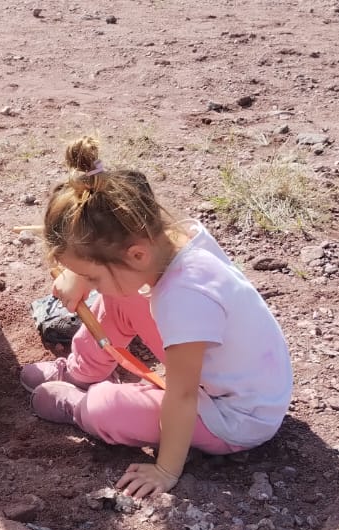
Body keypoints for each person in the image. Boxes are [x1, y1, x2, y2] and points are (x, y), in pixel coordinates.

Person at [20, 136, 294, 499]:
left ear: (135, 255)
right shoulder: (175, 243)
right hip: (229, 382)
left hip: (234, 417)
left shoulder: (183, 300)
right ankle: (82, 370)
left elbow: (181, 396)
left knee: (109, 409)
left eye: (94, 276)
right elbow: (119, 279)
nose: (92, 286)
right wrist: (83, 274)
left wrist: (166, 469)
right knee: (121, 298)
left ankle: (80, 405)